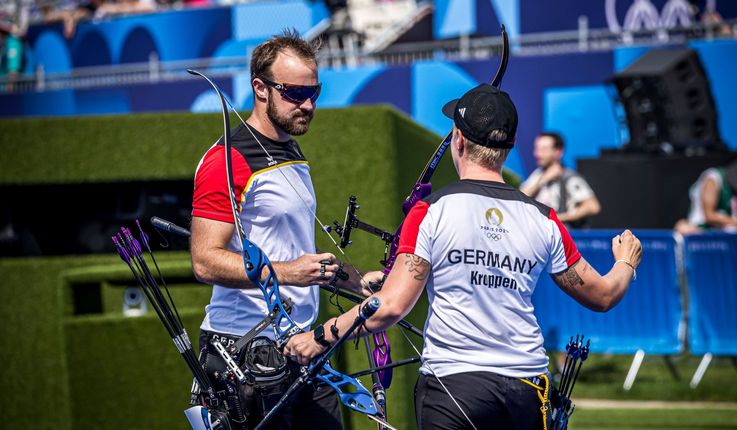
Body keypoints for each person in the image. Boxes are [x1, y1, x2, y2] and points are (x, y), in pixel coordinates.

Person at [285, 84, 643, 429]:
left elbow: (389, 307)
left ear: (458, 139)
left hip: (455, 389)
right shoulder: (545, 219)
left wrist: (318, 338)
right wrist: (625, 261)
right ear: (510, 146)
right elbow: (603, 294)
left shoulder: (431, 212)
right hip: (527, 390)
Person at [190, 30, 379, 429]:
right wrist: (289, 272)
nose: (307, 104)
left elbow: (299, 251)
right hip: (241, 352)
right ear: (260, 88)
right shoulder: (228, 159)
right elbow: (205, 261)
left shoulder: (291, 149)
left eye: (315, 92)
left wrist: (358, 282)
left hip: (301, 347)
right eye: (294, 93)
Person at [520, 132, 601, 228]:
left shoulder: (569, 177)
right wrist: (543, 180)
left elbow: (593, 206)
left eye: (544, 149)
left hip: (563, 235)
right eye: (537, 148)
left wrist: (558, 218)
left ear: (558, 152)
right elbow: (520, 198)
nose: (537, 154)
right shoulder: (538, 174)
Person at [674, 151, 737, 234]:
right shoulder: (714, 178)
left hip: (733, 234)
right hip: (703, 232)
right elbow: (709, 216)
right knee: (682, 226)